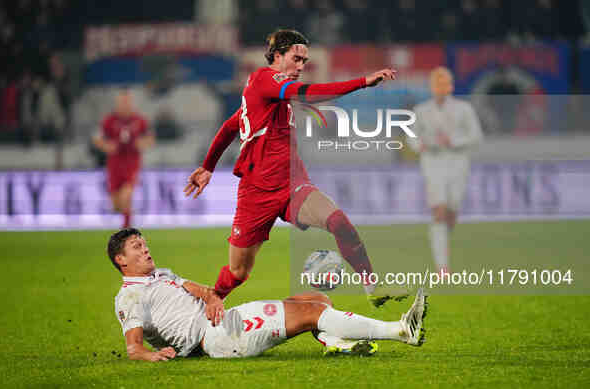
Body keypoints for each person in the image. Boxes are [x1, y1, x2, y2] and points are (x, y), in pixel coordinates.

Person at [184, 29, 403, 310]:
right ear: (277, 55)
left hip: (292, 184)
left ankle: (373, 287)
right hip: (256, 192)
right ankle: (210, 302)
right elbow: (307, 94)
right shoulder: (264, 79)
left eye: (304, 61)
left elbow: (231, 126)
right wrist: (362, 82)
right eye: (296, 59)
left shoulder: (265, 96)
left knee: (339, 222)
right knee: (238, 272)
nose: (301, 67)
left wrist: (207, 166)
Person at [109, 228, 427, 361]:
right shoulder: (129, 298)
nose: (146, 248)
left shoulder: (162, 274)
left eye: (144, 242)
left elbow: (200, 290)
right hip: (213, 338)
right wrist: (153, 355)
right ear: (121, 260)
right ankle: (400, 330)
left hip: (223, 321)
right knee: (313, 313)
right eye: (137, 246)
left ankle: (335, 342)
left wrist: (211, 297)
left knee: (318, 301)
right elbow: (133, 347)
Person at [409, 67, 484, 274]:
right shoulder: (421, 110)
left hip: (458, 163)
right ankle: (442, 267)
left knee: (450, 213)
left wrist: (454, 141)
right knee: (439, 210)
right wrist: (418, 145)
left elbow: (476, 136)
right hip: (432, 163)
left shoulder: (464, 109)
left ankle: (437, 235)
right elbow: (411, 135)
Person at [93, 90, 155, 228]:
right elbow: (97, 138)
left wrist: (142, 144)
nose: (125, 105)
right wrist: (107, 146)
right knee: (116, 205)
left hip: (131, 163)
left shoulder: (139, 121)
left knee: (126, 196)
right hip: (114, 165)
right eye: (122, 102)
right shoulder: (109, 121)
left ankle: (126, 231)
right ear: (118, 103)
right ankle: (126, 222)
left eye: (127, 102)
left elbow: (150, 138)